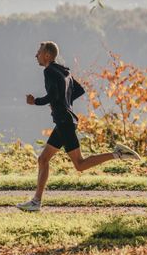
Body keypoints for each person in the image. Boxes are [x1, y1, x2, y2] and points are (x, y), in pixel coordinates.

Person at [17, 41, 139, 211]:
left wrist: (35, 101)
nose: (35, 55)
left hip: (64, 122)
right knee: (43, 159)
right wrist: (65, 103)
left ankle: (117, 154)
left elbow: (52, 95)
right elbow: (79, 90)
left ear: (47, 55)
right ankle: (36, 201)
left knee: (79, 164)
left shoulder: (49, 71)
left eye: (38, 52)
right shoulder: (63, 71)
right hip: (64, 121)